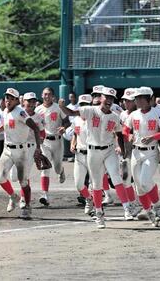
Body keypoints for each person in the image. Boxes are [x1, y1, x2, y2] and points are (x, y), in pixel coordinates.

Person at [59, 87, 132, 229]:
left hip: (109, 150)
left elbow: (119, 135)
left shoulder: (115, 117)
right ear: (101, 98)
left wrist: (123, 152)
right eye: (107, 97)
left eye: (112, 98)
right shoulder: (90, 110)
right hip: (93, 151)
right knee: (97, 184)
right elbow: (73, 112)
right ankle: (99, 213)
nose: (109, 100)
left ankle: (127, 208)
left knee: (116, 177)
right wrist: (62, 106)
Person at [0, 88, 42, 217]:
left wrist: (38, 148)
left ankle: (27, 206)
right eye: (7, 97)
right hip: (7, 149)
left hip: (21, 152)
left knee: (23, 181)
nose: (8, 100)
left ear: (16, 101)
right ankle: (13, 196)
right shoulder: (5, 111)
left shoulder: (21, 113)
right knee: (0, 177)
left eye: (11, 98)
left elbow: (36, 129)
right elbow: (6, 124)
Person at [122, 87, 160, 227]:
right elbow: (125, 128)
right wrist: (128, 135)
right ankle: (149, 212)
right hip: (136, 151)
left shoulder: (158, 113)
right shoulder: (133, 114)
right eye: (137, 98)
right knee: (139, 186)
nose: (138, 101)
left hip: (152, 151)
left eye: (142, 98)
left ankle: (157, 205)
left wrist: (153, 137)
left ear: (149, 99)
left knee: (144, 181)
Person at [9, 92, 46, 219]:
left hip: (30, 148)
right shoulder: (17, 113)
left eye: (33, 101)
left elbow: (42, 132)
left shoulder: (39, 117)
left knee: (24, 176)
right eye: (28, 101)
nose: (30, 103)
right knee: (13, 177)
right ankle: (14, 196)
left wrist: (39, 146)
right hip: (17, 147)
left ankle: (24, 201)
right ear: (22, 102)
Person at [35, 87, 68, 206]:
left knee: (57, 168)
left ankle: (61, 171)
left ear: (53, 96)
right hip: (45, 142)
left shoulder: (58, 107)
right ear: (41, 95)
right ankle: (45, 195)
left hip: (57, 141)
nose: (46, 96)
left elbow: (67, 120)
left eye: (49, 94)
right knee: (45, 168)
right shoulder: (38, 110)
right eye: (44, 94)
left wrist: (64, 127)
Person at [69, 94, 94, 215]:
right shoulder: (76, 119)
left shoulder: (95, 119)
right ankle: (89, 199)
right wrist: (73, 144)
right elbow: (75, 133)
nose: (83, 108)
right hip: (79, 154)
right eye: (82, 105)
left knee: (94, 184)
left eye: (86, 105)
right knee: (79, 184)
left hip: (93, 153)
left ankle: (98, 210)